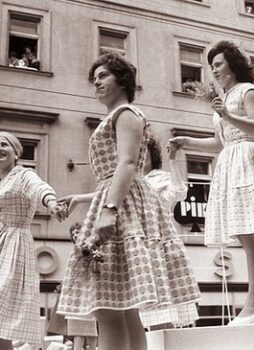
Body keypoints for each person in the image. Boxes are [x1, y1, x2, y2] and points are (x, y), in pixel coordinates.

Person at [56, 51, 201, 350]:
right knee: (121, 307)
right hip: (118, 199)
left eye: (103, 76)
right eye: (93, 79)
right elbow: (117, 173)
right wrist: (83, 199)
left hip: (121, 206)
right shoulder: (116, 116)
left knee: (107, 307)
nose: (96, 83)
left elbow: (126, 165)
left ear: (122, 80)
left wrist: (109, 210)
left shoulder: (125, 114)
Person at [169, 40, 254, 326]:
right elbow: (219, 141)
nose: (214, 71)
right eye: (211, 66)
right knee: (246, 234)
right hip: (230, 160)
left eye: (217, 64)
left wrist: (227, 114)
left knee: (250, 232)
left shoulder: (248, 91)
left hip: (247, 157)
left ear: (232, 63)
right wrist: (186, 141)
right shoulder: (224, 99)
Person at [0, 132, 63, 350]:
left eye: (4, 144)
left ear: (16, 152)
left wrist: (52, 203)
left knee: (3, 309)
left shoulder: (23, 175)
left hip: (15, 243)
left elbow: (40, 188)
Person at [139, 136, 199, 328]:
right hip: (137, 243)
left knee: (165, 303)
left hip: (161, 240)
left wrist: (172, 159)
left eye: (144, 151)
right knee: (144, 305)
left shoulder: (160, 177)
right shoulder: (127, 179)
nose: (140, 155)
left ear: (152, 154)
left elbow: (179, 191)